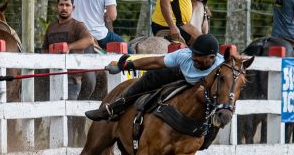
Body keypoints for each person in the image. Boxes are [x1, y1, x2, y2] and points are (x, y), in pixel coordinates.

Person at [85, 33, 223, 121]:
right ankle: (114, 109)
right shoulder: (185, 56)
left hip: (207, 88)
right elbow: (155, 62)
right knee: (150, 77)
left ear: (212, 57)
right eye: (194, 54)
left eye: (199, 56)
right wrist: (126, 65)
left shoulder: (221, 67)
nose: (194, 58)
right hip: (181, 74)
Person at [42, 0, 94, 99]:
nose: (64, 8)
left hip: (72, 80)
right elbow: (44, 49)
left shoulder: (78, 25)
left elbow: (89, 40)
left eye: (67, 5)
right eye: (61, 5)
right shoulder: (51, 27)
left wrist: (68, 47)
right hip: (50, 78)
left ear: (73, 7)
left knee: (69, 113)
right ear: (57, 6)